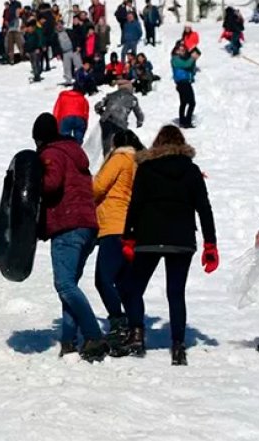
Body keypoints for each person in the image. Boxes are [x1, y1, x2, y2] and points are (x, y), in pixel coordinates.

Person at [116, 125, 217, 366]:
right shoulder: (191, 171)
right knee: (175, 293)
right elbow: (204, 208)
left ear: (158, 143)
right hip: (181, 239)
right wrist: (210, 244)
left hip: (148, 237)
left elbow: (135, 204)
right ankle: (178, 347)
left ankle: (137, 335)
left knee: (133, 287)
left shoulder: (146, 168)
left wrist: (128, 236)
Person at [32, 112, 107, 362]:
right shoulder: (74, 153)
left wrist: (29, 181)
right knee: (69, 286)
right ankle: (68, 341)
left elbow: (50, 184)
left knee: (64, 285)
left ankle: (93, 336)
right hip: (87, 226)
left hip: (67, 224)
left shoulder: (52, 153)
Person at [92, 129, 145, 349]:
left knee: (103, 279)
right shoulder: (139, 163)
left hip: (113, 226)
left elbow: (97, 187)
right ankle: (136, 331)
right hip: (132, 230)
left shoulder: (120, 158)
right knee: (126, 284)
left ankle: (118, 322)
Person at [95, 80, 144, 155]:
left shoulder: (111, 95)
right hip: (120, 123)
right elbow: (139, 114)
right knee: (121, 143)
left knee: (107, 143)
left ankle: (107, 159)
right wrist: (139, 122)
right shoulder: (133, 99)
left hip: (106, 120)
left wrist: (102, 113)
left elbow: (97, 106)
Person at [171, 41, 199, 129]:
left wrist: (193, 59)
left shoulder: (184, 59)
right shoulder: (175, 59)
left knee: (184, 102)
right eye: (180, 50)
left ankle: (183, 121)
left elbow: (191, 68)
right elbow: (186, 65)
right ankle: (186, 121)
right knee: (191, 103)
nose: (182, 51)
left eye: (183, 50)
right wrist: (192, 58)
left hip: (186, 82)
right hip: (182, 82)